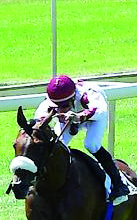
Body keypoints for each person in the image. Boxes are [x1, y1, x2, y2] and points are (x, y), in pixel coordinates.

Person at [35, 75, 129, 204]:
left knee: (91, 144)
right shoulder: (51, 101)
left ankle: (119, 184)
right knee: (58, 146)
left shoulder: (88, 94)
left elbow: (100, 111)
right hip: (73, 117)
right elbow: (39, 119)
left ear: (73, 98)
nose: (59, 109)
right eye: (57, 106)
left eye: (64, 105)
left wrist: (79, 117)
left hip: (94, 116)